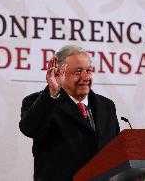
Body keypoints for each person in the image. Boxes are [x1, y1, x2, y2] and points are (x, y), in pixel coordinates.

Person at [19, 45, 120, 181]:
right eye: (77, 72)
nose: (85, 77)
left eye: (88, 70)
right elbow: (29, 129)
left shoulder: (106, 106)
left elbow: (116, 150)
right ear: (59, 74)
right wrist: (52, 94)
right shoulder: (41, 101)